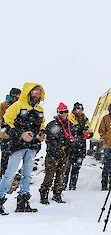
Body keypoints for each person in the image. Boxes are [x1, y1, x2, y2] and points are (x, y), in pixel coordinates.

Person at [0, 83, 46, 215]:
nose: (36, 95)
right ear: (28, 92)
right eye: (34, 92)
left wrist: (41, 134)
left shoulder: (39, 110)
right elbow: (5, 124)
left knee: (27, 175)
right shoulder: (17, 106)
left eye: (38, 92)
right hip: (17, 146)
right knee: (9, 174)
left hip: (32, 147)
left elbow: (41, 126)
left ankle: (23, 202)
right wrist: (20, 134)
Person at [39, 103, 75, 204]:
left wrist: (69, 146)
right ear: (58, 113)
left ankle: (57, 194)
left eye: (65, 112)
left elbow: (73, 137)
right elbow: (49, 139)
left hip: (64, 154)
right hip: (52, 155)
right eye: (61, 112)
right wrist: (57, 148)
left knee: (61, 176)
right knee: (49, 176)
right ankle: (44, 194)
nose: (63, 114)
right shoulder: (52, 124)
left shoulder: (70, 124)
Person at [64, 102, 93, 190]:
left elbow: (90, 132)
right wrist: (79, 131)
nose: (79, 111)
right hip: (70, 147)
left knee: (76, 169)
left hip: (81, 148)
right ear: (74, 110)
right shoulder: (69, 119)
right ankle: (63, 185)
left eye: (81, 109)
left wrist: (87, 134)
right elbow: (68, 131)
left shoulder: (85, 120)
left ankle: (73, 186)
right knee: (66, 168)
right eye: (77, 109)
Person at [0, 88, 21, 178]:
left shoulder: (19, 105)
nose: (18, 97)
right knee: (5, 156)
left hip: (15, 135)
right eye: (17, 95)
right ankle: (3, 175)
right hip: (5, 135)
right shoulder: (3, 106)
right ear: (13, 95)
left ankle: (9, 175)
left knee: (13, 156)